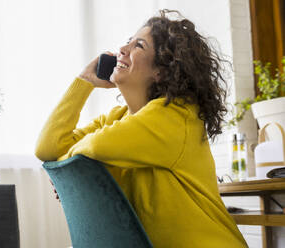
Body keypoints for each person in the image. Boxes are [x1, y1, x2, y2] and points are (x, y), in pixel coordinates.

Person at [35, 9, 248, 248]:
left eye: (139, 46)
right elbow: (46, 148)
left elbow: (94, 146)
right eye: (128, 41)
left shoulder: (176, 114)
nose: (123, 49)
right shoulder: (116, 119)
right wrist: (84, 81)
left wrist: (73, 170)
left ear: (161, 71)